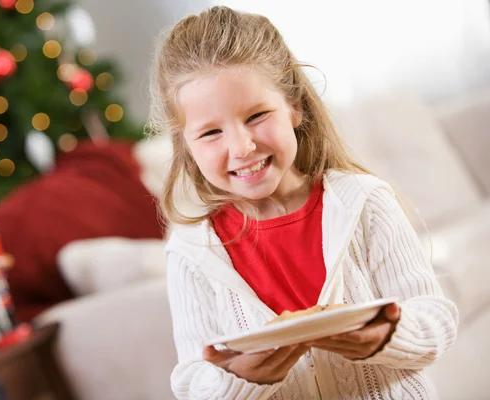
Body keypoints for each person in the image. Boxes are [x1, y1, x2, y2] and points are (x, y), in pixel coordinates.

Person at [147, 6, 458, 399]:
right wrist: (239, 379)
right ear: (185, 145)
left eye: (257, 115)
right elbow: (194, 385)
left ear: (294, 106)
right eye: (210, 132)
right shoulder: (192, 252)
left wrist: (389, 336)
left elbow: (437, 320)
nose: (242, 147)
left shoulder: (363, 202)